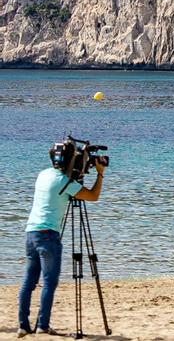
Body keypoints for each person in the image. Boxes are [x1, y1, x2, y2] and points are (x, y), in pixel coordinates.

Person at [20, 142, 105, 337]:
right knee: (49, 282)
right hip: (48, 235)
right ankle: (43, 325)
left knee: (28, 281)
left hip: (31, 232)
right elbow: (93, 196)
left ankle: (23, 325)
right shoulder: (65, 183)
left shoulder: (43, 175)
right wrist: (100, 174)